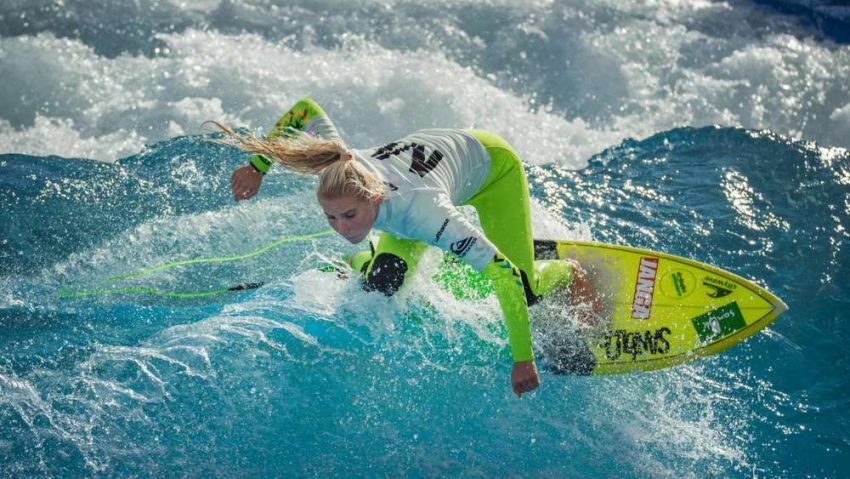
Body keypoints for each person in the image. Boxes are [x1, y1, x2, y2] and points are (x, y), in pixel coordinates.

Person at [214, 98, 593, 398]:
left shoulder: (426, 213)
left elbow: (502, 273)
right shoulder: (341, 166)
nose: (342, 228)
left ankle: (569, 272)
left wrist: (523, 359)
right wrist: (258, 166)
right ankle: (358, 261)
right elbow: (304, 110)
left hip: (492, 170)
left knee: (526, 290)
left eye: (350, 216)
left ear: (374, 198)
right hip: (419, 177)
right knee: (382, 282)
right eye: (331, 218)